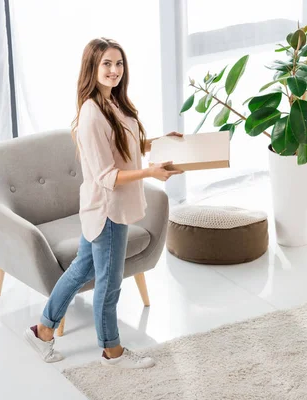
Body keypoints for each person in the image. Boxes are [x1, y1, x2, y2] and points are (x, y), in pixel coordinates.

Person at [23, 37, 183, 369]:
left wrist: (160, 143)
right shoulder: (92, 114)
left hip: (110, 208)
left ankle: (42, 332)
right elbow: (107, 176)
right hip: (107, 211)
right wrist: (149, 172)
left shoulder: (115, 104)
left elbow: (128, 149)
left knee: (81, 269)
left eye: (119, 64)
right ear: (93, 68)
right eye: (106, 64)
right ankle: (112, 353)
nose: (114, 70)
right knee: (109, 286)